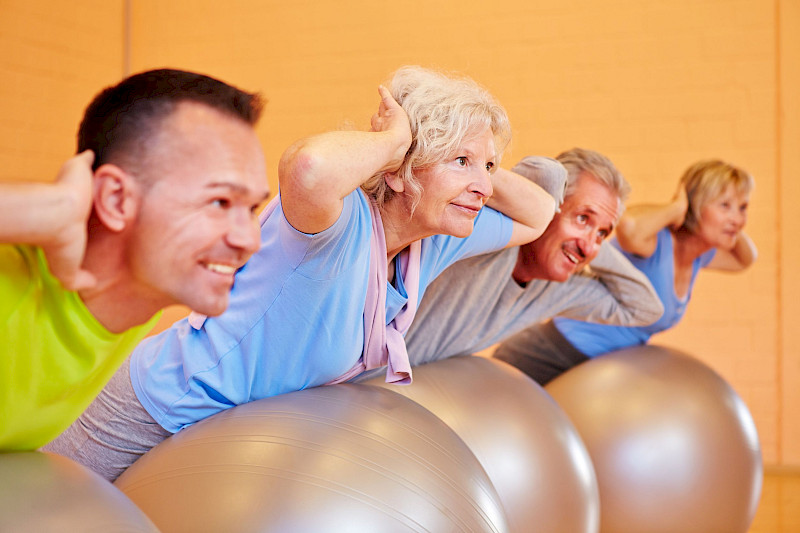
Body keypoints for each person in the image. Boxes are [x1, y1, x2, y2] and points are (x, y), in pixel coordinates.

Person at [45, 65, 557, 481]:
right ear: (402, 171)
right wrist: (399, 140)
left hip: (233, 448)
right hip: (149, 412)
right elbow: (307, 168)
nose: (484, 187)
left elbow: (538, 216)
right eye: (460, 162)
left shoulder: (434, 241)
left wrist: (477, 157)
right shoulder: (337, 225)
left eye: (487, 169)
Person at [1, 69, 270, 450]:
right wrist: (50, 207)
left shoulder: (138, 299)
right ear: (115, 200)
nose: (249, 240)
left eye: (252, 207)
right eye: (219, 202)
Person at [354, 147, 664, 383]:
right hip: (341, 374)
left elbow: (645, 307)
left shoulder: (560, 288)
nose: (589, 244)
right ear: (550, 207)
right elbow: (545, 173)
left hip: (380, 394)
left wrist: (590, 239)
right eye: (582, 218)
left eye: (602, 234)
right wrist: (550, 218)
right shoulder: (483, 235)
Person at [494, 158, 756, 385]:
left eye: (743, 207)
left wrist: (730, 224)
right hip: (554, 353)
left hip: (602, 370)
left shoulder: (701, 256)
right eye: (725, 205)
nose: (737, 218)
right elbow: (628, 225)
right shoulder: (655, 243)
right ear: (695, 204)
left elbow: (746, 259)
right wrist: (678, 207)